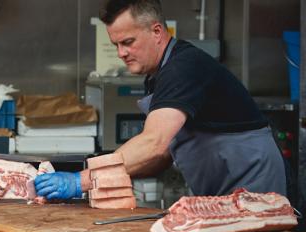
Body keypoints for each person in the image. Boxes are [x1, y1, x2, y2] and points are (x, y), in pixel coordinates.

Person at [35, 0, 286, 200]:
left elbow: (153, 143)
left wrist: (81, 181)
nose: (121, 53)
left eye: (128, 42)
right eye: (116, 45)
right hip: (221, 190)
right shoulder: (158, 76)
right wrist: (95, 175)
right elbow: (161, 155)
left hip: (253, 187)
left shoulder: (182, 67)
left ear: (156, 31)